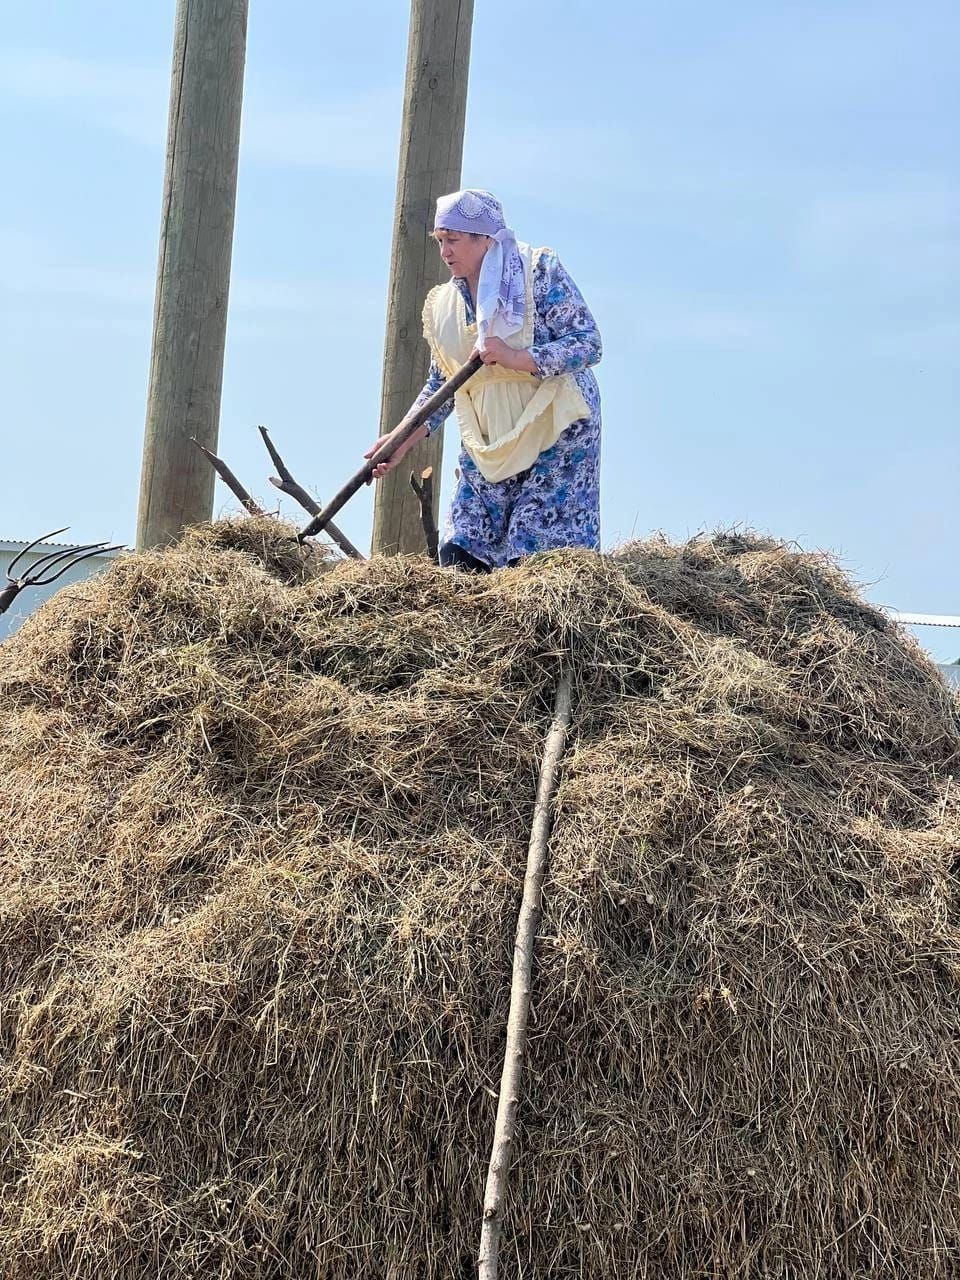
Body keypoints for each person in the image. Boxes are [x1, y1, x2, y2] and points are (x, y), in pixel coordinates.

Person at [365, 189, 602, 571]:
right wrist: (401, 439)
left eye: (453, 240)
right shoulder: (444, 304)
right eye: (440, 241)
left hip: (555, 427)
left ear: (485, 239)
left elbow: (588, 344)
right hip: (489, 435)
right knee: (462, 549)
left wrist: (515, 358)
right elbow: (443, 382)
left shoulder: (537, 272)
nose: (445, 252)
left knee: (535, 554)